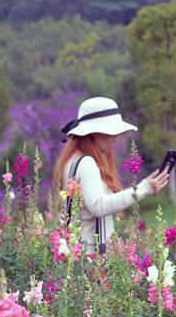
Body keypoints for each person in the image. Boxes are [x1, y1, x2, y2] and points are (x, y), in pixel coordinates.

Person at [53, 97, 169, 256]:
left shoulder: (72, 161)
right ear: (92, 134)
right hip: (91, 257)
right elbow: (98, 206)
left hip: (78, 253)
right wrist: (144, 188)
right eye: (110, 132)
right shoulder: (87, 163)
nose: (116, 137)